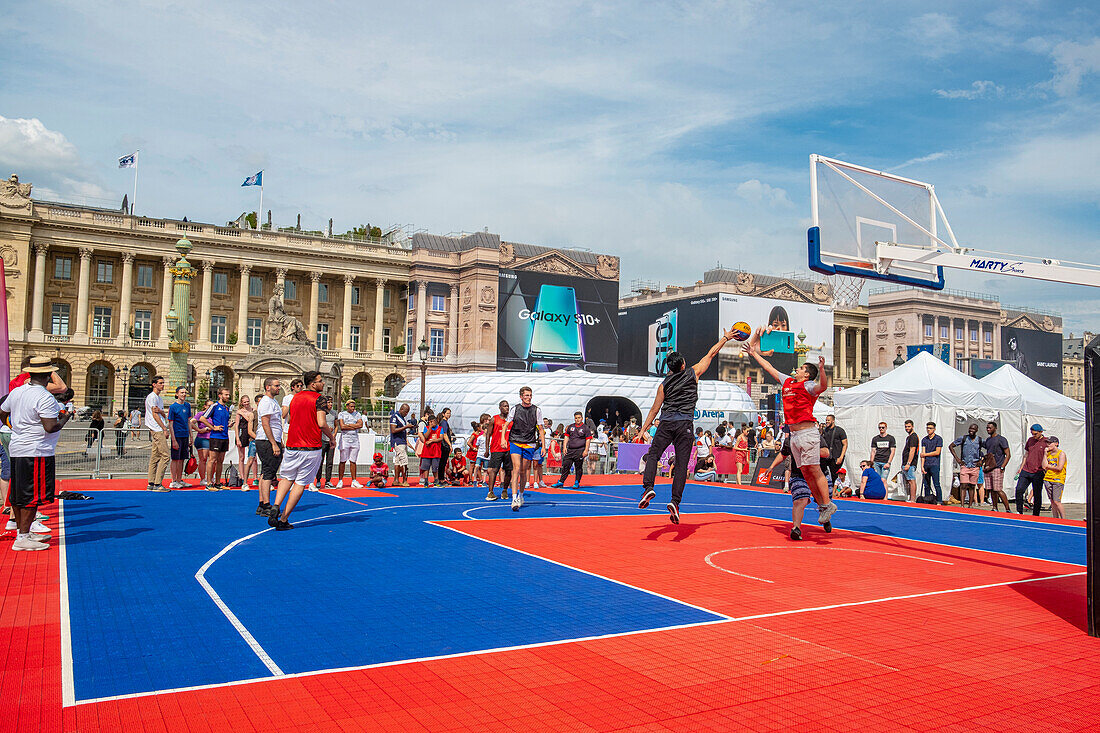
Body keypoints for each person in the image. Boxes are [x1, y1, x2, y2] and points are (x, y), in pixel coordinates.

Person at [639, 327, 736, 524]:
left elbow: (653, 410)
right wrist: (726, 337)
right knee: (682, 465)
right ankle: (675, 501)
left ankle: (648, 487)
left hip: (666, 422)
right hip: (684, 424)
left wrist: (642, 430)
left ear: (670, 368)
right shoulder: (693, 373)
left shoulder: (663, 384)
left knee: (653, 454)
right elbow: (711, 353)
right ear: (682, 365)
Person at [748, 327, 836, 525]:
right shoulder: (787, 381)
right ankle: (823, 505)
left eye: (801, 368)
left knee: (814, 469)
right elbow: (769, 368)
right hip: (794, 435)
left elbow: (823, 386)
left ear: (806, 375)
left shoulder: (808, 386)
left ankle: (827, 504)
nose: (797, 369)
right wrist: (754, 354)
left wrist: (821, 369)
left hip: (808, 432)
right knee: (805, 471)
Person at [1, 356, 71, 550]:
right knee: (32, 495)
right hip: (37, 450)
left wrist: (13, 426)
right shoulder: (44, 397)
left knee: (18, 493)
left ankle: (23, 532)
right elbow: (50, 427)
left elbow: (2, 410)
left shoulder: (18, 392)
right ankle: (22, 537)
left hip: (18, 447)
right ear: (48, 375)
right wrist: (64, 419)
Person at [268, 370, 334, 530]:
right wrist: (331, 437)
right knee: (300, 483)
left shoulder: (295, 398)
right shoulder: (320, 399)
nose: (323, 383)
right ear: (313, 384)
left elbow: (289, 418)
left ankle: (276, 505)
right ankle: (284, 519)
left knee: (287, 478)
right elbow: (321, 422)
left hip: (292, 444)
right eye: (320, 381)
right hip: (310, 446)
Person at [770, 433, 832, 540]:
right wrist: (771, 467)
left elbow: (826, 453)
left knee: (822, 500)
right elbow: (783, 454)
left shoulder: (815, 437)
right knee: (800, 500)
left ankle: (825, 518)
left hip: (818, 473)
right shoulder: (789, 440)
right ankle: (796, 528)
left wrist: (810, 451)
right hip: (799, 474)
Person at [508, 387, 545, 511]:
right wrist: (503, 438)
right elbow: (506, 425)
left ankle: (521, 494)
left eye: (530, 395)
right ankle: (514, 498)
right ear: (521, 397)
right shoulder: (515, 409)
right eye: (526, 395)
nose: (529, 397)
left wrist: (543, 446)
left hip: (529, 443)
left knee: (523, 471)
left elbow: (540, 429)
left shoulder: (536, 410)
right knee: (516, 468)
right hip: (515, 441)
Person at [254, 377, 283, 516]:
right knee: (268, 473)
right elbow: (266, 423)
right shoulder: (266, 402)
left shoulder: (273, 401)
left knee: (265, 472)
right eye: (276, 386)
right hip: (266, 440)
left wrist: (279, 441)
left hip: (271, 439)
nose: (278, 388)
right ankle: (266, 504)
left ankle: (262, 503)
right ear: (268, 387)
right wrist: (273, 443)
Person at [199, 387, 232, 490]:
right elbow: (202, 418)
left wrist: (228, 425)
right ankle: (209, 483)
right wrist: (213, 427)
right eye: (225, 395)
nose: (227, 396)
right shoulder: (214, 406)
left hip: (225, 437)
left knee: (220, 460)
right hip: (215, 437)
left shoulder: (226, 408)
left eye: (228, 395)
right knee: (212, 460)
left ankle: (217, 482)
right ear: (220, 395)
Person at [1015, 424, 1049, 516]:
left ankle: (1036, 514)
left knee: (1037, 493)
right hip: (1026, 469)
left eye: (1035, 434)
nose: (1033, 436)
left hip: (1038, 471)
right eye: (1032, 434)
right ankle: (1019, 511)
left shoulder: (1046, 442)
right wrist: (1021, 467)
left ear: (1041, 432)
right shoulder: (1030, 440)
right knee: (1019, 489)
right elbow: (1026, 454)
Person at [144, 375, 171, 492]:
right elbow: (155, 415)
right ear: (154, 384)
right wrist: (164, 428)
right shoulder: (152, 397)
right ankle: (158, 483)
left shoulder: (159, 398)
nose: (162, 385)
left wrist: (160, 411)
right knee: (166, 455)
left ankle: (151, 482)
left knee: (155, 456)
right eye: (160, 383)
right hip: (156, 429)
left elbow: (161, 413)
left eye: (163, 383)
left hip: (157, 428)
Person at [554, 411, 592, 488]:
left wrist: (586, 450)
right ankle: (561, 481)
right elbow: (566, 437)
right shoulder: (571, 427)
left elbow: (588, 439)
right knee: (566, 465)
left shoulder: (585, 428)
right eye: (576, 418)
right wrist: (564, 447)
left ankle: (577, 482)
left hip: (580, 450)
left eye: (579, 418)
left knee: (578, 466)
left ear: (582, 418)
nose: (577, 419)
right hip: (570, 450)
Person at [950, 423, 984, 508]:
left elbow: (990, 449)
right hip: (965, 465)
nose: (971, 431)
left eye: (973, 429)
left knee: (972, 486)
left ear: (976, 430)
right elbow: (951, 446)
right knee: (963, 485)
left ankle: (970, 505)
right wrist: (957, 459)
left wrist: (982, 461)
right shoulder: (964, 438)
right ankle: (962, 505)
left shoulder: (980, 440)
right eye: (970, 429)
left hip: (975, 466)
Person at [485, 401, 512, 500]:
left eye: (508, 406)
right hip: (496, 449)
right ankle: (490, 492)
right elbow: (488, 434)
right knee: (493, 470)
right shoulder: (494, 419)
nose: (507, 408)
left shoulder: (511, 420)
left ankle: (504, 490)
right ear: (500, 408)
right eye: (504, 406)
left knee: (509, 471)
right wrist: (487, 449)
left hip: (509, 449)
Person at [983, 421, 1013, 513]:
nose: (988, 429)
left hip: (998, 467)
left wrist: (1003, 467)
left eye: (990, 428)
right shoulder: (988, 440)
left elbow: (1008, 454)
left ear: (995, 428)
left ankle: (1007, 509)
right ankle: (995, 507)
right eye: (987, 428)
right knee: (991, 489)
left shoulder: (1001, 439)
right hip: (989, 468)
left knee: (998, 489)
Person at [166, 387, 193, 489]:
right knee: (175, 459)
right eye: (182, 392)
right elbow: (171, 424)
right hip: (177, 435)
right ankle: (173, 480)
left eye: (185, 392)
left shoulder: (187, 406)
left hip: (185, 435)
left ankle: (179, 479)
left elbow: (188, 421)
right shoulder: (173, 407)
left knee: (182, 458)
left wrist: (191, 436)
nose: (184, 394)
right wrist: (173, 439)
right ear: (177, 394)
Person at [336, 399, 365, 488]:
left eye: (354, 407)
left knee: (353, 461)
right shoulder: (342, 414)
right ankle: (340, 480)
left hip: (355, 439)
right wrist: (353, 425)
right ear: (347, 406)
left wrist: (348, 425)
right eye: (351, 406)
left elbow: (360, 425)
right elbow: (342, 426)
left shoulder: (358, 414)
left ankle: (354, 480)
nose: (353, 408)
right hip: (345, 439)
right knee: (343, 460)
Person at [231, 396, 257, 489]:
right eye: (244, 402)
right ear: (241, 403)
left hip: (251, 434)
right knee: (241, 457)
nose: (246, 403)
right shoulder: (239, 412)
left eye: (247, 401)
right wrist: (237, 438)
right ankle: (242, 477)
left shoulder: (254, 410)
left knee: (253, 457)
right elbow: (237, 425)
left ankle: (255, 477)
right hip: (242, 433)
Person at [314, 396, 337, 489]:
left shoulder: (334, 413)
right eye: (328, 403)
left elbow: (336, 426)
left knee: (330, 461)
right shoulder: (320, 413)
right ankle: (318, 480)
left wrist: (333, 436)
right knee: (320, 461)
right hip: (322, 439)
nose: (330, 404)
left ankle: (328, 480)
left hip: (331, 440)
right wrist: (326, 430)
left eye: (331, 403)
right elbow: (319, 425)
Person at [820, 414, 848, 487]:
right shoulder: (825, 430)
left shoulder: (840, 430)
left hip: (836, 456)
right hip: (826, 456)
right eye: (826, 420)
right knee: (822, 472)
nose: (827, 422)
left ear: (833, 421)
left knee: (834, 475)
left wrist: (841, 457)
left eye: (828, 420)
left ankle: (833, 490)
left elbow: (845, 444)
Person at [1043, 437, 1067, 519]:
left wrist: (1048, 466)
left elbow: (1059, 467)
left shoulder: (1061, 454)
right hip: (1048, 478)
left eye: (1050, 443)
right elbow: (1043, 466)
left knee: (1057, 501)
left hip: (1058, 479)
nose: (1048, 445)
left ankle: (1063, 518)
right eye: (1047, 443)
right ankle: (1055, 518)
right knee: (1052, 501)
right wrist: (1045, 454)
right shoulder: (1048, 454)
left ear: (1056, 443)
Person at [191, 399, 214, 486]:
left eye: (212, 406)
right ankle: (203, 479)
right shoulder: (200, 414)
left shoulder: (213, 415)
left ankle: (211, 477)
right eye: (208, 405)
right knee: (203, 459)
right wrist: (199, 430)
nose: (210, 408)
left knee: (213, 460)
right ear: (205, 406)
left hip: (212, 438)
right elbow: (191, 422)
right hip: (203, 438)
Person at [919, 422, 943, 503]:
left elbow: (937, 452)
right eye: (927, 428)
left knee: (936, 484)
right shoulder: (924, 439)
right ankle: (927, 500)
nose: (928, 430)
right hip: (926, 464)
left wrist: (925, 454)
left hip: (934, 464)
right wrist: (922, 466)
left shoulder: (938, 439)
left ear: (934, 429)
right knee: (926, 485)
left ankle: (939, 501)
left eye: (930, 428)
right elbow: (922, 454)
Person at [389, 403, 412, 487]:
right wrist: (405, 427)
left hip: (402, 441)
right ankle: (405, 480)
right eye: (405, 412)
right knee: (404, 461)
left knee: (398, 461)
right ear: (401, 409)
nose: (406, 414)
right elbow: (393, 430)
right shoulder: (395, 417)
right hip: (398, 441)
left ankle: (396, 480)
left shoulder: (402, 418)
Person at [418, 414, 444, 487]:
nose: (434, 423)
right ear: (429, 422)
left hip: (436, 451)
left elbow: (441, 438)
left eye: (435, 421)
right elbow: (425, 436)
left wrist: (432, 441)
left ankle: (436, 480)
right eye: (432, 421)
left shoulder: (440, 428)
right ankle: (426, 481)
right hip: (427, 451)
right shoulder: (426, 428)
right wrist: (430, 428)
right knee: (426, 467)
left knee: (435, 467)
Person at [900, 420, 919, 502]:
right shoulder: (909, 437)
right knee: (909, 480)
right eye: (906, 427)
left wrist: (908, 463)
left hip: (910, 463)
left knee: (911, 480)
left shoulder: (913, 437)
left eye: (909, 426)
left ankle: (912, 499)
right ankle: (911, 498)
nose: (907, 428)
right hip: (906, 462)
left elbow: (912, 450)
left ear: (912, 426)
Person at [437, 407, 454, 486]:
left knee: (443, 463)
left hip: (444, 445)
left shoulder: (445, 422)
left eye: (449, 413)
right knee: (442, 463)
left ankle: (441, 478)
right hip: (444, 445)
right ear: (443, 414)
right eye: (447, 413)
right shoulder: (443, 423)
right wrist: (450, 444)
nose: (449, 415)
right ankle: (441, 479)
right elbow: (444, 434)